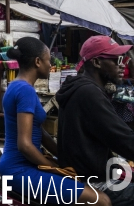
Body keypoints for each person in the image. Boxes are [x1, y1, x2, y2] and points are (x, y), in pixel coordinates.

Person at [0, 37, 104, 205]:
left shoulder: (15, 86)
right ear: (38, 62)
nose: (51, 65)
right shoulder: (25, 90)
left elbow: (40, 133)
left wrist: (63, 157)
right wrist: (54, 168)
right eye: (49, 60)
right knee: (101, 199)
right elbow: (24, 145)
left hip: (16, 166)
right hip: (19, 169)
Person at [57, 35, 134, 205]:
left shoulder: (80, 87)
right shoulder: (89, 93)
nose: (121, 64)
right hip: (93, 182)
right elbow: (122, 138)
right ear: (97, 62)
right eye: (116, 60)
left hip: (88, 171)